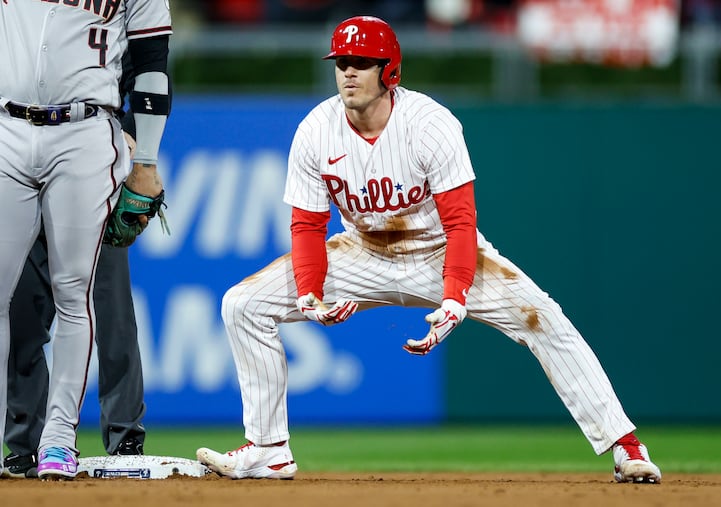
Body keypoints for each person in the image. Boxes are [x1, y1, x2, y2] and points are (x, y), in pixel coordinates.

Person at [195, 15, 662, 484]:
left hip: (438, 249)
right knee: (243, 304)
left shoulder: (430, 124)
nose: (348, 72)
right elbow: (308, 224)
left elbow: (460, 221)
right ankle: (270, 450)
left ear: (389, 70)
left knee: (541, 316)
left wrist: (455, 297)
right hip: (360, 252)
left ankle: (626, 445)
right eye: (342, 62)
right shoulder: (316, 130)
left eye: (361, 62)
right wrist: (309, 294)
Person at [0, 1, 172, 481]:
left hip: (91, 134)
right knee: (17, 308)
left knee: (93, 297)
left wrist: (145, 159)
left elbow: (150, 67)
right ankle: (19, 443)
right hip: (9, 132)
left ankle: (93, 438)